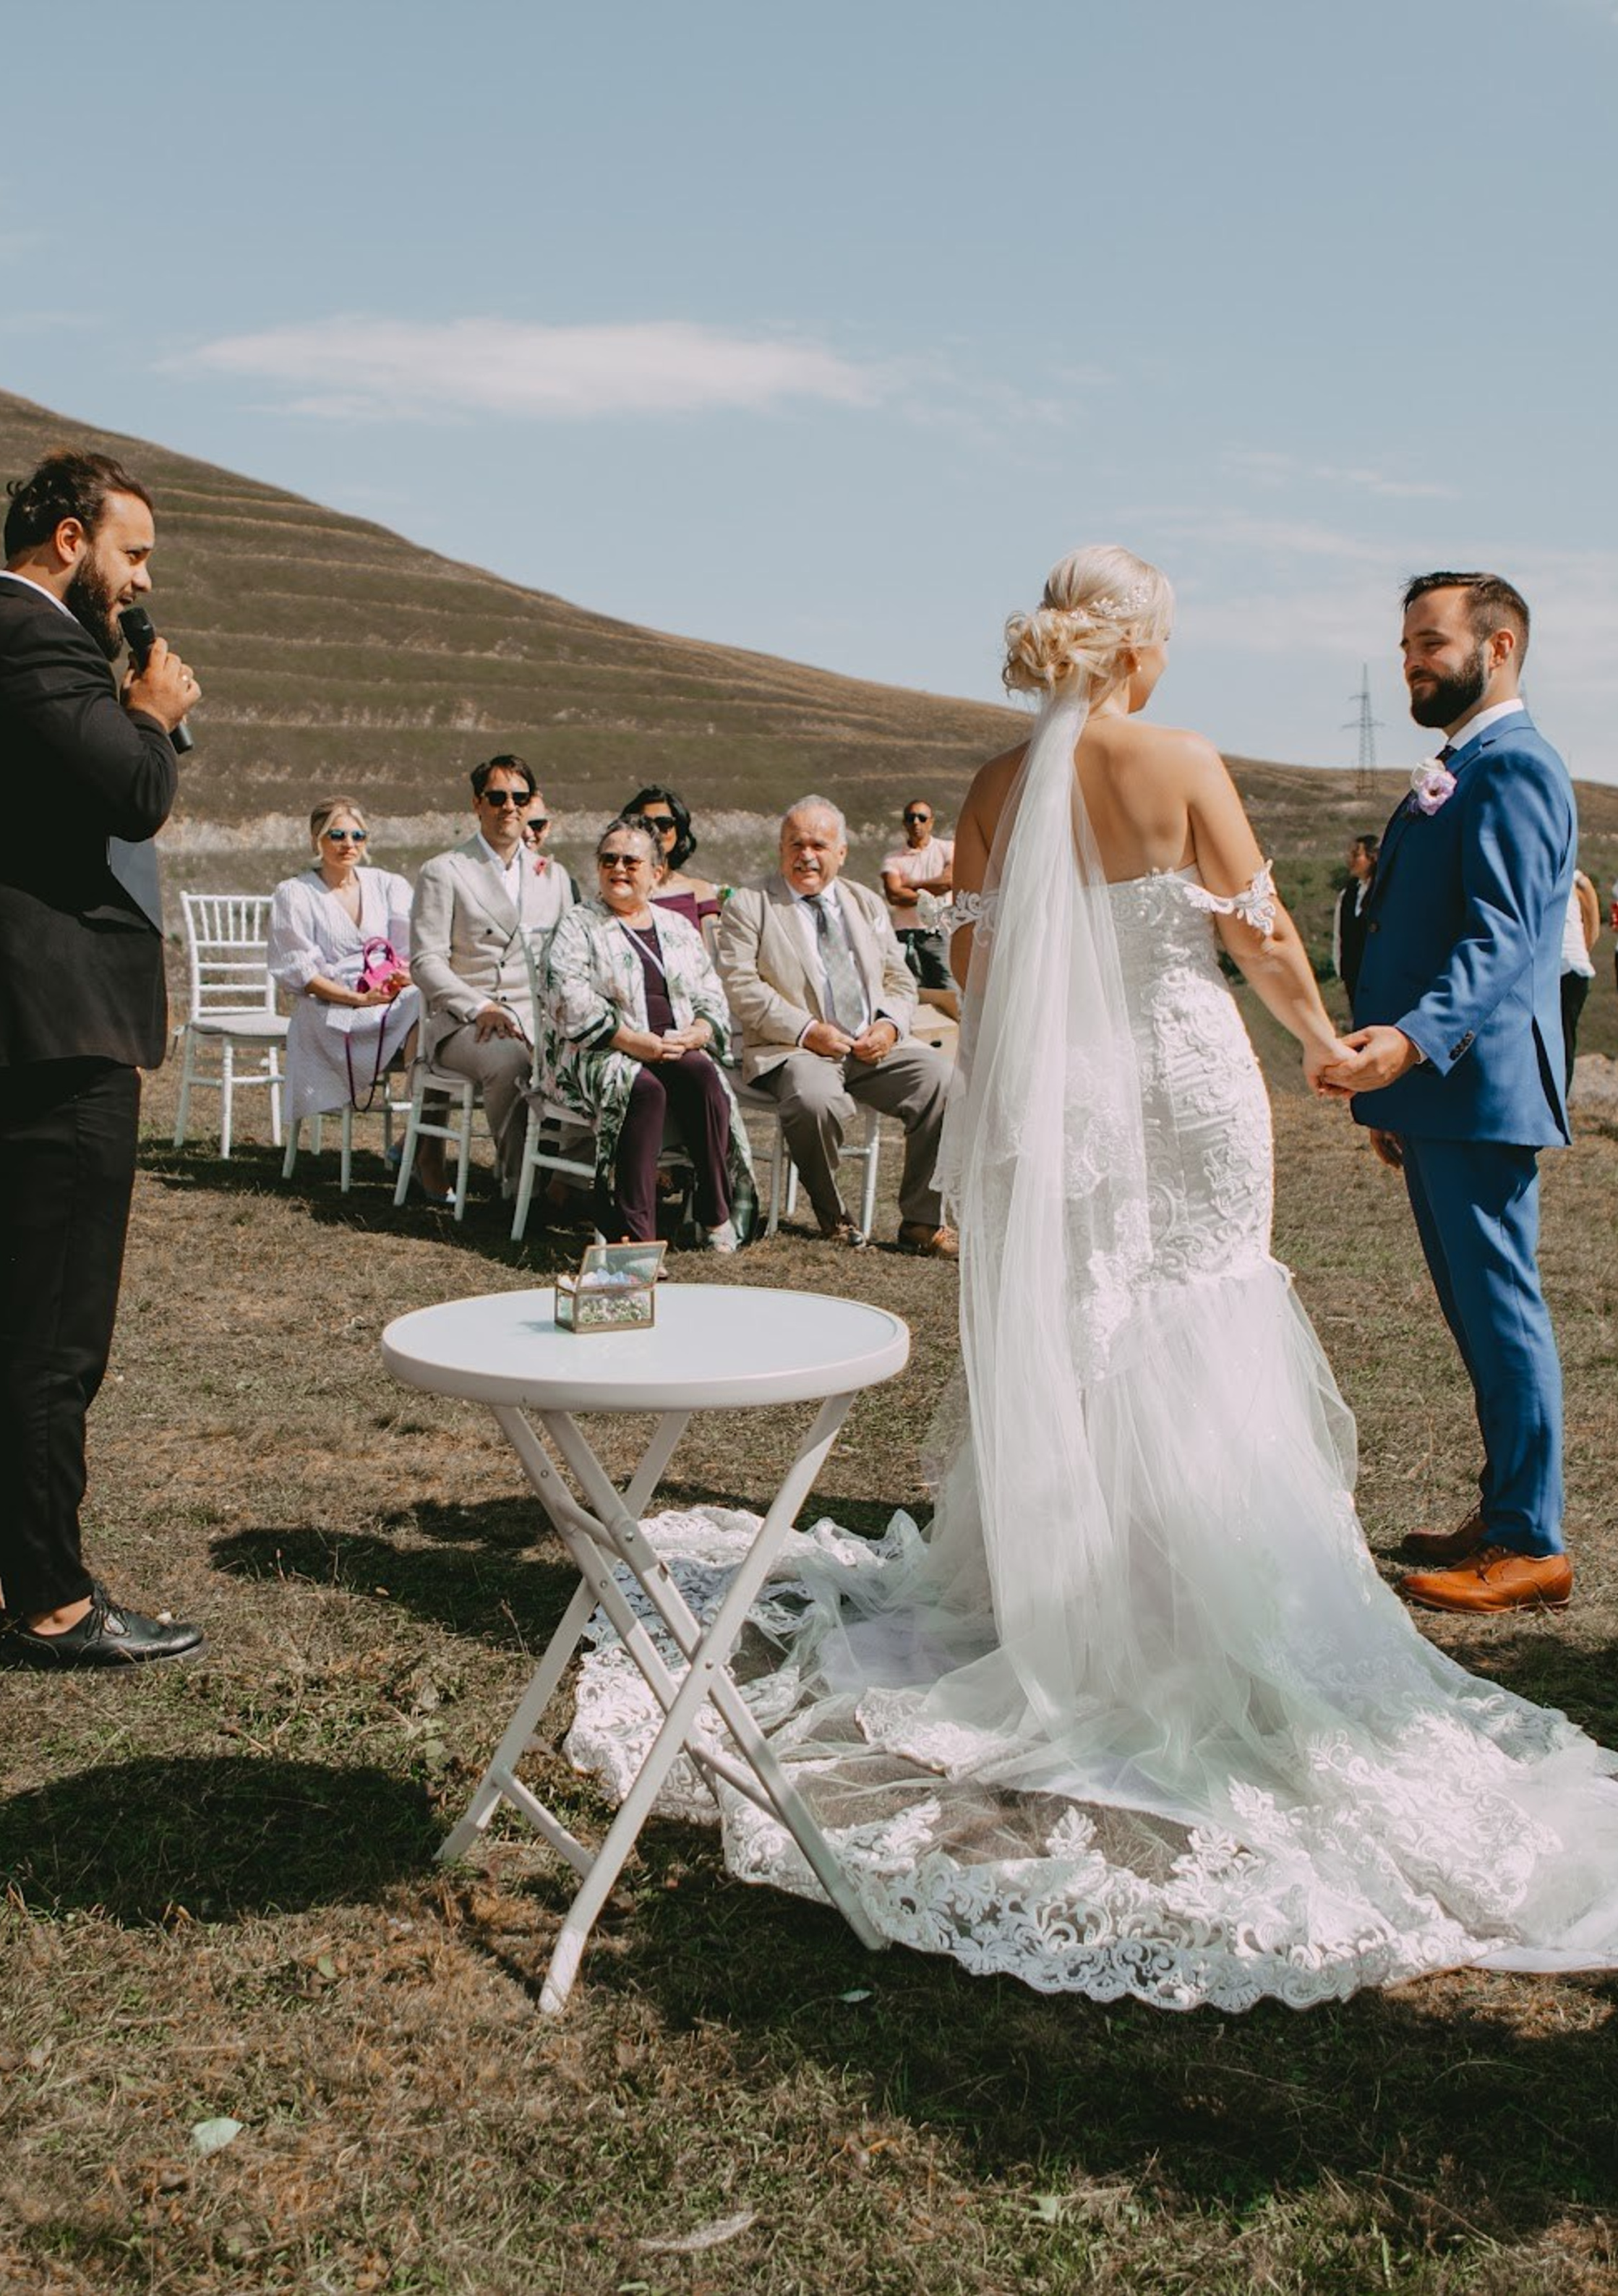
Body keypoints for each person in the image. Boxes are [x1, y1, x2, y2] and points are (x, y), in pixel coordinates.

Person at [570, 545, 1618, 2007]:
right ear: (1133, 646)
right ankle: (1204, 1592)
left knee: (1082, 1322)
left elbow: (987, 978)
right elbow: (1254, 933)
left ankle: (1070, 1589)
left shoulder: (996, 790)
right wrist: (1324, 1043)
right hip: (1184, 1084)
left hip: (1059, 1099)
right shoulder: (1178, 758)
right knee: (1198, 1310)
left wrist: (1028, 1084)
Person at [0, 448, 204, 1666]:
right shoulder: (34, 644)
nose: (137, 585)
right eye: (131, 555)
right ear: (69, 540)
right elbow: (130, 794)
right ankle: (54, 1597)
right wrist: (154, 716)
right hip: (50, 1024)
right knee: (49, 1324)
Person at [1322, 574, 1578, 1614]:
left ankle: (1531, 1541)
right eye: (1406, 647)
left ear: (1500, 645)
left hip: (1475, 1086)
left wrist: (1411, 1049)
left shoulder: (1515, 766)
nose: (1412, 663)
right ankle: (1507, 1505)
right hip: (1438, 1096)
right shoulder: (1460, 765)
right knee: (1476, 1315)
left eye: (1430, 643)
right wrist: (1400, 1090)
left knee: (1501, 1308)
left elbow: (1504, 939)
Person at [716, 798, 954, 1253]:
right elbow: (740, 986)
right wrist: (809, 1031)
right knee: (813, 1100)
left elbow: (898, 978)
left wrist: (888, 1026)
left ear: (841, 853)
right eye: (795, 844)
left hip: (870, 1044)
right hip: (798, 1047)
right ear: (781, 849)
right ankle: (832, 1214)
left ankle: (922, 1223)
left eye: (819, 845)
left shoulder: (864, 902)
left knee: (942, 1080)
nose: (806, 855)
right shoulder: (751, 904)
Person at [543, 819, 755, 1248]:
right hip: (597, 1050)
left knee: (703, 1076)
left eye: (630, 861)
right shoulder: (578, 924)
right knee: (643, 1090)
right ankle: (637, 1237)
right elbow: (567, 996)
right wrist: (629, 1040)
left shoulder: (677, 927)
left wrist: (697, 1032)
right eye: (609, 859)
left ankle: (715, 1214)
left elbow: (709, 991)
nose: (618, 868)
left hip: (670, 1045)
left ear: (656, 872)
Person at [408, 751, 568, 1191]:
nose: (509, 807)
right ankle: (525, 1186)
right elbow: (425, 962)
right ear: (478, 803)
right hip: (466, 1024)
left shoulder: (553, 876)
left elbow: (571, 957)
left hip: (539, 1017)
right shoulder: (445, 871)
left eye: (519, 797)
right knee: (510, 1059)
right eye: (497, 797)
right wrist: (480, 1007)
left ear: (532, 802)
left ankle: (572, 1183)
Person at [268, 799, 423, 1131]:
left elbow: (410, 948)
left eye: (358, 836)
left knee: (426, 1005)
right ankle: (420, 1139)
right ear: (317, 839)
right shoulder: (295, 893)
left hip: (386, 997)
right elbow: (302, 974)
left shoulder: (387, 884)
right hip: (330, 1006)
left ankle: (417, 1129)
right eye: (337, 835)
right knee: (420, 1006)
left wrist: (401, 978)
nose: (349, 844)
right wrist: (357, 999)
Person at [881, 798, 957, 1003]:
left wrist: (910, 885)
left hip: (938, 932)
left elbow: (948, 882)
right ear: (904, 823)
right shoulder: (892, 858)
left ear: (931, 822)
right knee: (904, 992)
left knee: (946, 991)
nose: (916, 822)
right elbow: (894, 895)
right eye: (911, 818)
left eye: (922, 818)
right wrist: (930, 891)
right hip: (904, 935)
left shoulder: (947, 849)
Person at [622, 785, 722, 936]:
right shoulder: (618, 892)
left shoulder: (699, 892)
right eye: (646, 824)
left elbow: (712, 954)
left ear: (678, 830)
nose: (655, 832)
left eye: (664, 824)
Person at [1331, 832, 1379, 1018]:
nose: (1350, 860)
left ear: (1372, 858)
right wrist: (1341, 968)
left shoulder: (1384, 894)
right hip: (1353, 976)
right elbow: (1339, 935)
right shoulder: (1348, 894)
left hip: (1378, 976)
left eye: (1356, 855)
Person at [1560, 865, 1598, 1091]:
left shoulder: (1577, 881)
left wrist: (1580, 951)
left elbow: (1593, 930)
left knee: (1564, 1040)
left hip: (1569, 969)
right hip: (1563, 970)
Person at [522, 796, 579, 902]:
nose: (527, 833)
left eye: (536, 825)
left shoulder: (565, 886)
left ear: (547, 828)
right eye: (519, 824)